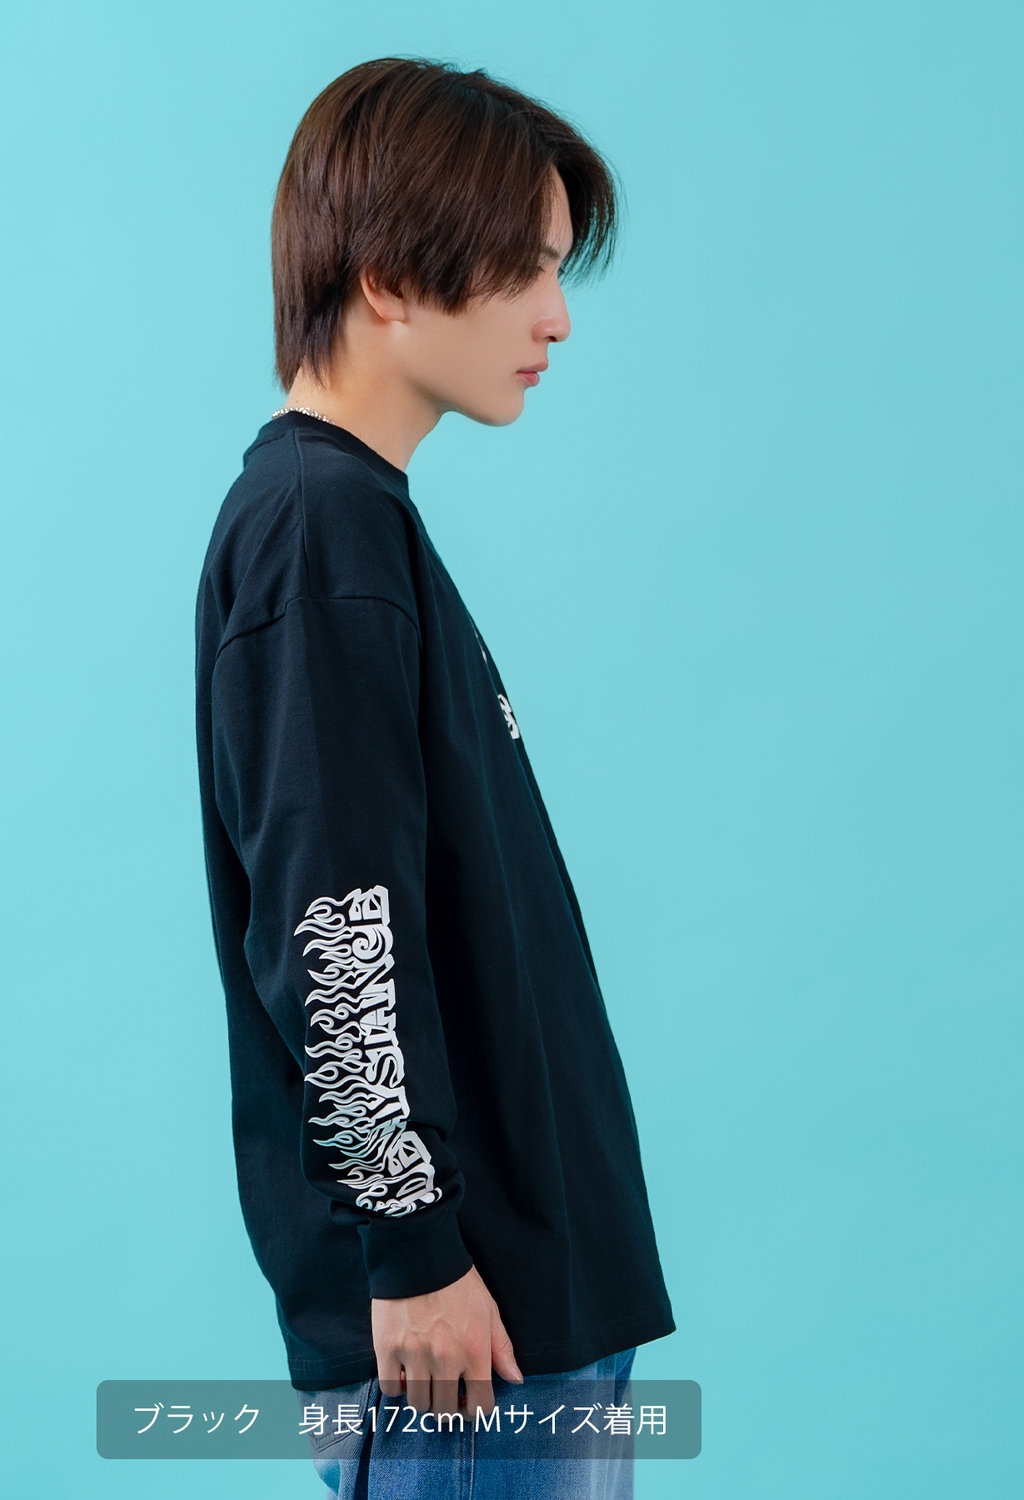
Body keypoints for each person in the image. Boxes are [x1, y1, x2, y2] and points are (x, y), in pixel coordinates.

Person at [194, 57, 674, 1498]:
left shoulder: (359, 525)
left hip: (522, 1308)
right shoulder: (316, 532)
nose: (556, 317)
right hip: (468, 1333)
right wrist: (412, 1253)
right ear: (393, 277)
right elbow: (331, 926)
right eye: (527, 269)